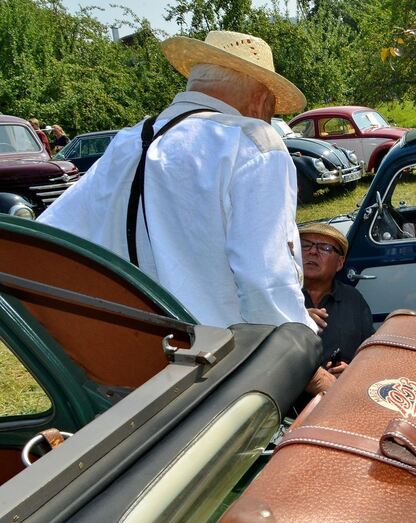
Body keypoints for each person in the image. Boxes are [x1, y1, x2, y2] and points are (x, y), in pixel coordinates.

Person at [39, 30, 313, 334]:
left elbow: (47, 238)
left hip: (142, 361)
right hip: (227, 365)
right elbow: (266, 281)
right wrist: (308, 366)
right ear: (261, 102)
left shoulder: (126, 143)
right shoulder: (252, 143)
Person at [300, 222, 375, 379]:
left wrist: (352, 370)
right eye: (305, 245)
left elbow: (371, 352)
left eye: (324, 248)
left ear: (340, 263)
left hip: (340, 394)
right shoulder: (281, 298)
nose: (312, 251)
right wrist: (297, 318)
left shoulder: (353, 300)